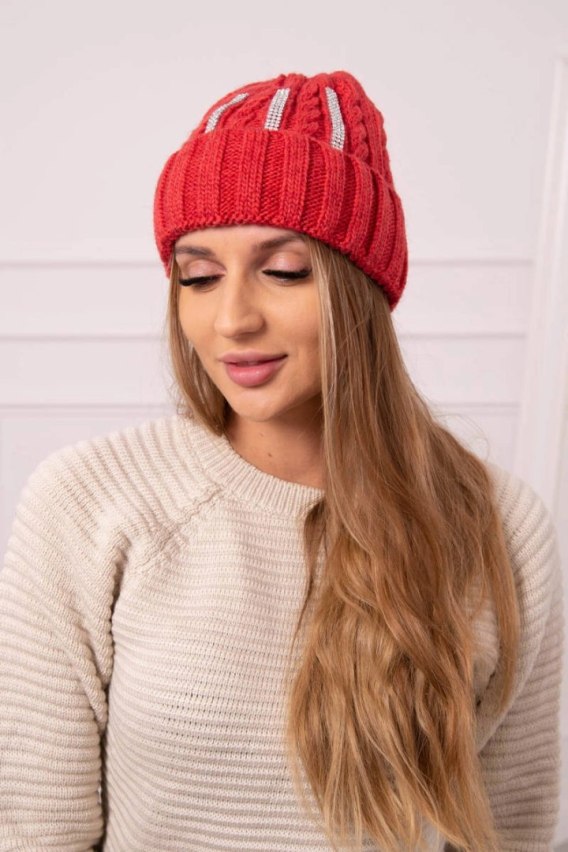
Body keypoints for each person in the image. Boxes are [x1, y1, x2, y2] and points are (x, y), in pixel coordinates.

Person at [0, 70, 563, 852]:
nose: (232, 318)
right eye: (199, 276)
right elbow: (35, 827)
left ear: (359, 286)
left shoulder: (499, 524)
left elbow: (515, 826)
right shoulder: (89, 501)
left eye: (284, 270)